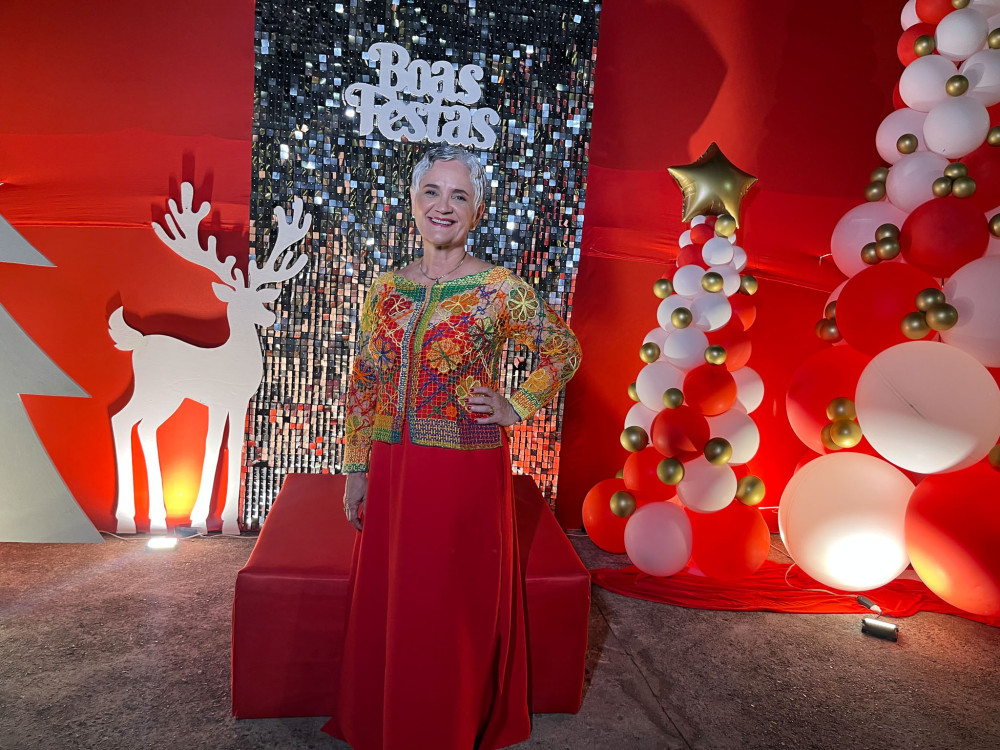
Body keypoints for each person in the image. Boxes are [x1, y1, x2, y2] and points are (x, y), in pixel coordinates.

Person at [323, 144, 581, 750]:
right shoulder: (385, 289)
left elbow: (563, 350)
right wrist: (356, 468)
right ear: (413, 202)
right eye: (432, 192)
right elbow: (365, 381)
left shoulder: (498, 288)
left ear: (478, 210)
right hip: (393, 466)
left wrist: (517, 404)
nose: (444, 206)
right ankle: (389, 719)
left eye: (459, 195)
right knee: (397, 599)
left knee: (448, 604)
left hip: (463, 473)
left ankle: (445, 728)